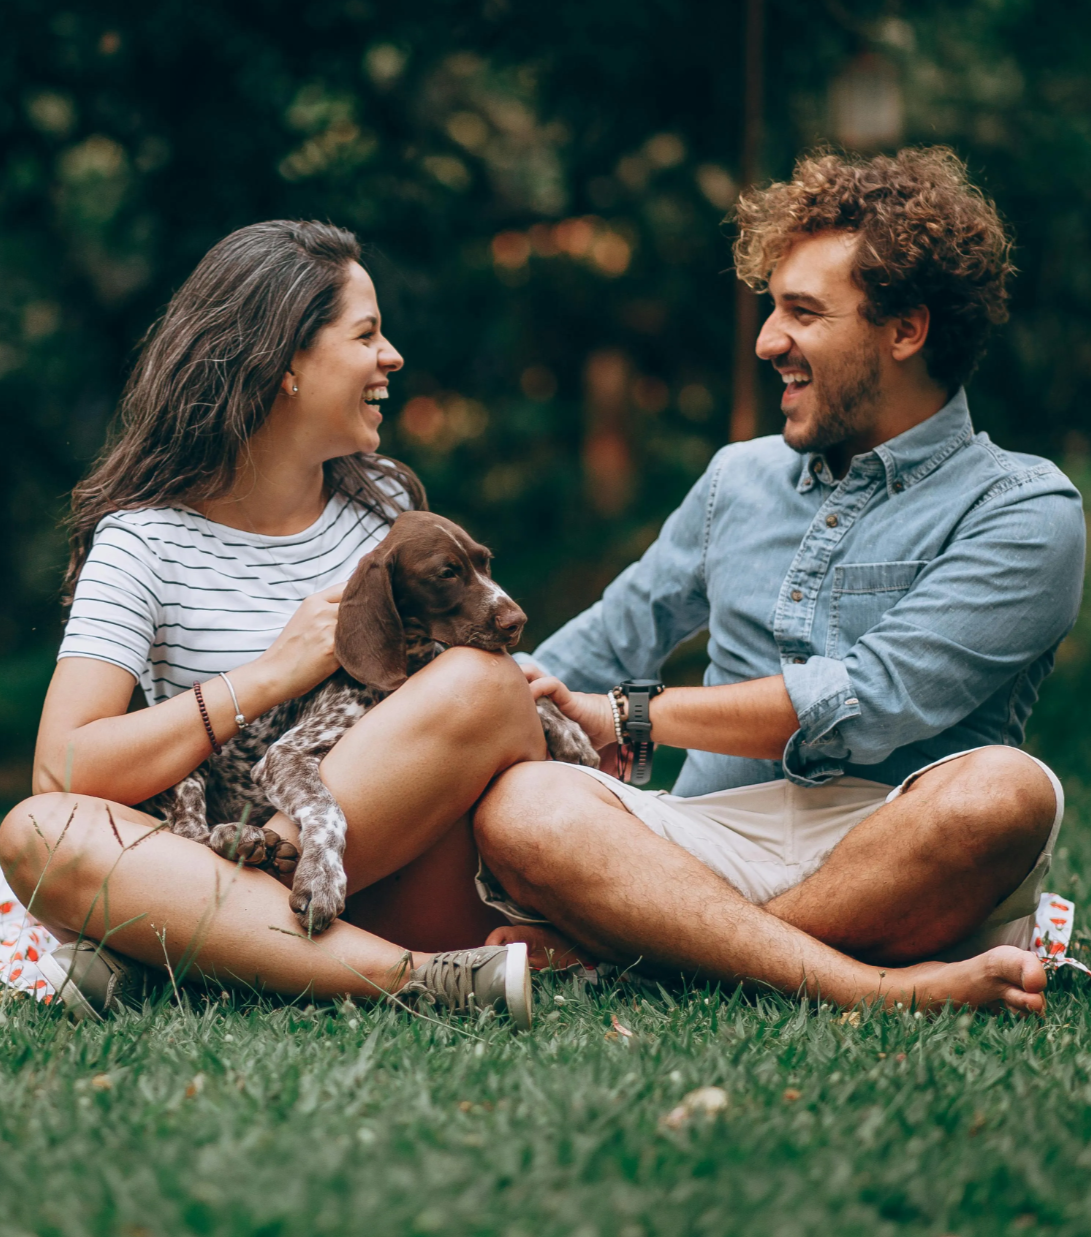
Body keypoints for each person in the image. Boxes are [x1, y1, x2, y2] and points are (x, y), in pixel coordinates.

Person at [473, 146, 1085, 1015]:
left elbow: (870, 698)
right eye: (771, 310)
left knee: (1007, 790)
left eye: (801, 312)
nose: (768, 342)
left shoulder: (1024, 507)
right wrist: (479, 702)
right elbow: (611, 636)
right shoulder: (738, 479)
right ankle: (869, 982)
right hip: (706, 840)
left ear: (905, 329)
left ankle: (645, 947)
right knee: (524, 801)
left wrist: (633, 714)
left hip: (897, 842)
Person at [0, 220, 541, 1025]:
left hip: (386, 873)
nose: (391, 357)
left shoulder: (384, 506)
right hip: (210, 867)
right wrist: (267, 676)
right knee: (40, 830)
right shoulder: (144, 542)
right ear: (285, 363)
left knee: (480, 682)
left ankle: (203, 952)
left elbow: (447, 711)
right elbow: (63, 768)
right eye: (366, 334)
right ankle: (415, 979)